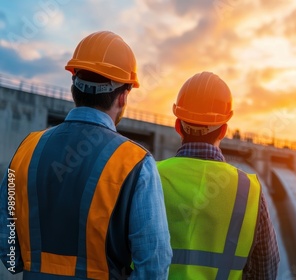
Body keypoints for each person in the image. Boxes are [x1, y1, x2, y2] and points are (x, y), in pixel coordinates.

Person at [0, 31, 172, 279]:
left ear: (73, 89)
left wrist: (26, 264)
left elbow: (8, 244)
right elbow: (154, 266)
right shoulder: (136, 164)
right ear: (123, 96)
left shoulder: (26, 149)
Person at [157, 71, 280, 279]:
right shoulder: (248, 189)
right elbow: (266, 270)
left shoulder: (150, 176)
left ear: (178, 126)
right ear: (223, 130)